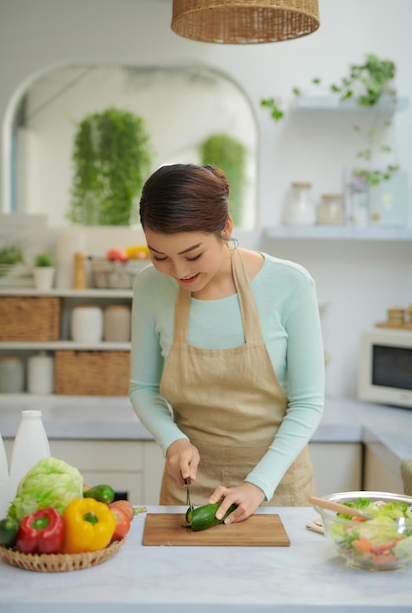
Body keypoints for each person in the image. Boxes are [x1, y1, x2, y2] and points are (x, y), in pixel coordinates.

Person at [130, 163, 325, 524]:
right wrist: (172, 441)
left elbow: (308, 403)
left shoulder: (290, 284)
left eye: (192, 255)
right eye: (159, 257)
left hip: (277, 487)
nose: (178, 272)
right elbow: (143, 388)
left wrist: (257, 485)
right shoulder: (149, 288)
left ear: (226, 228)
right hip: (188, 488)